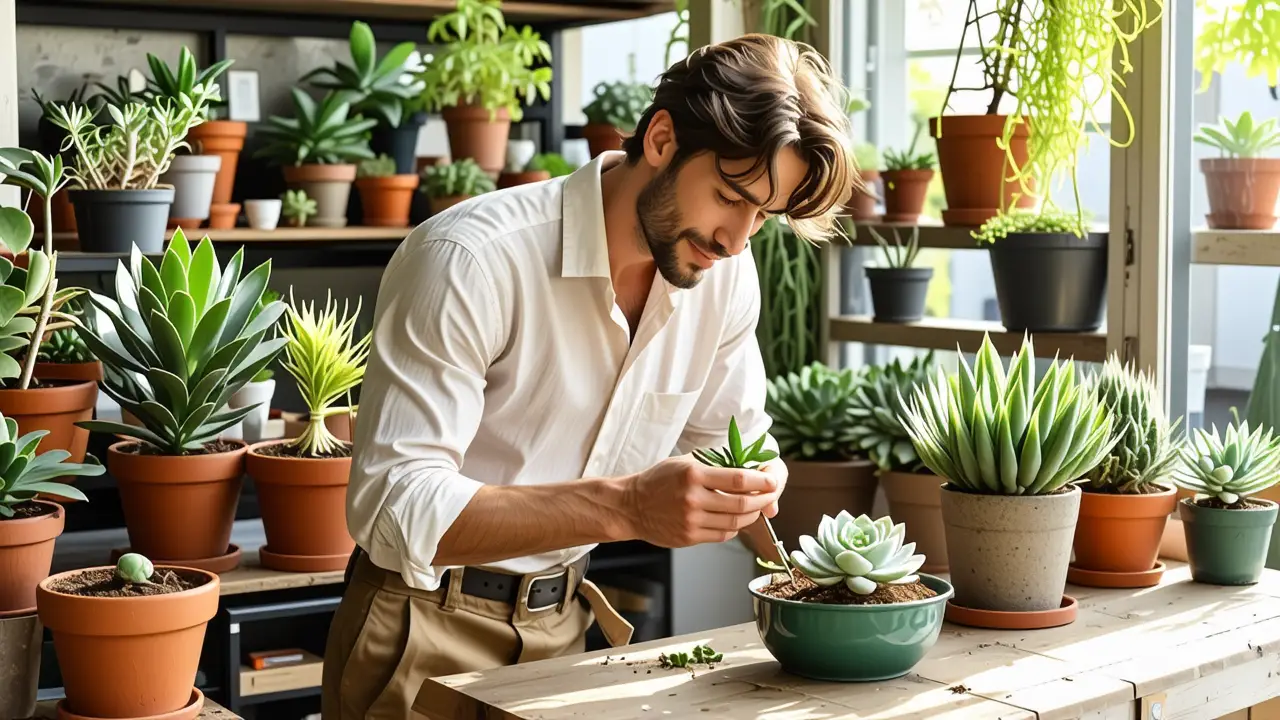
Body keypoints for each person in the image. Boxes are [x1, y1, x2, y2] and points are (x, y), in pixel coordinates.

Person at [320, 32, 856, 720]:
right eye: (728, 195)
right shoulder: (469, 258)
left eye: (764, 216)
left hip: (565, 624)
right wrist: (628, 507)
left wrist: (766, 513)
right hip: (419, 626)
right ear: (661, 139)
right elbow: (394, 505)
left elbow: (725, 443)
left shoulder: (725, 277)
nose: (736, 239)